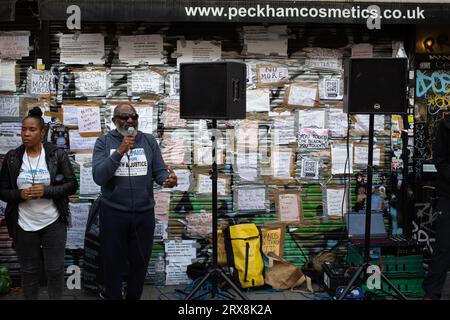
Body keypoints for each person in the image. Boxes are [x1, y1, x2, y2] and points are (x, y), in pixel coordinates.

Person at [92, 102, 177, 300]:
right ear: (114, 121)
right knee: (112, 265)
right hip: (113, 214)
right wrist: (120, 151)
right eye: (124, 117)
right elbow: (99, 177)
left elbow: (159, 172)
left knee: (139, 265)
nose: (130, 120)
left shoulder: (148, 141)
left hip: (143, 215)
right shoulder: (103, 143)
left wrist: (168, 179)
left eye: (134, 116)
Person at [0, 107, 78, 300]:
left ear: (42, 133)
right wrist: (20, 194)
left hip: (53, 221)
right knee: (29, 271)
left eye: (32, 129)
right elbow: (2, 191)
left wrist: (47, 191)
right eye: (24, 129)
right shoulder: (12, 158)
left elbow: (72, 185)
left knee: (54, 269)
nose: (26, 133)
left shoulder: (56, 155)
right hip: (24, 223)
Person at [423, 117, 450, 300]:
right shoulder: (446, 125)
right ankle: (432, 293)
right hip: (449, 194)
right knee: (444, 245)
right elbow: (440, 161)